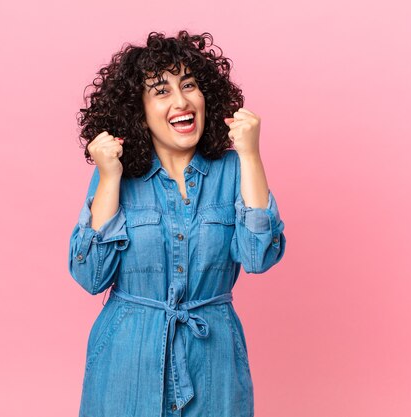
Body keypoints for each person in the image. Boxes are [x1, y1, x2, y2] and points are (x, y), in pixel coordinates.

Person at [68, 30, 286, 417]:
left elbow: (257, 256)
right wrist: (109, 177)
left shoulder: (233, 170)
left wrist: (250, 156)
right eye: (162, 91)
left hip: (214, 365)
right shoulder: (115, 174)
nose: (182, 101)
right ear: (139, 111)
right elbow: (91, 276)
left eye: (189, 85)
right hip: (127, 362)